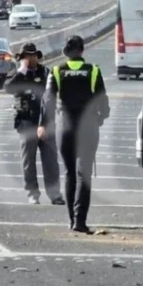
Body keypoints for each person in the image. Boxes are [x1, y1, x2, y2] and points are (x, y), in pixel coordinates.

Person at [40, 36, 110, 233]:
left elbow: (48, 100)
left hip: (65, 128)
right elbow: (103, 101)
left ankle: (71, 220)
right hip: (88, 128)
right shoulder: (93, 71)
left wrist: (44, 124)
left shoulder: (57, 71)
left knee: (69, 173)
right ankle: (80, 221)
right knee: (83, 174)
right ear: (82, 51)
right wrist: (101, 117)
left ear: (66, 52)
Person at [4, 43, 64, 206]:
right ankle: (32, 194)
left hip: (46, 121)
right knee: (28, 161)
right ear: (22, 58)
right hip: (26, 121)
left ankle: (55, 194)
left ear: (37, 56)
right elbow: (8, 88)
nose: (30, 58)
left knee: (51, 161)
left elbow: (54, 94)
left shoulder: (46, 73)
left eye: (33, 55)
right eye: (26, 56)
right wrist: (22, 71)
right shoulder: (16, 74)